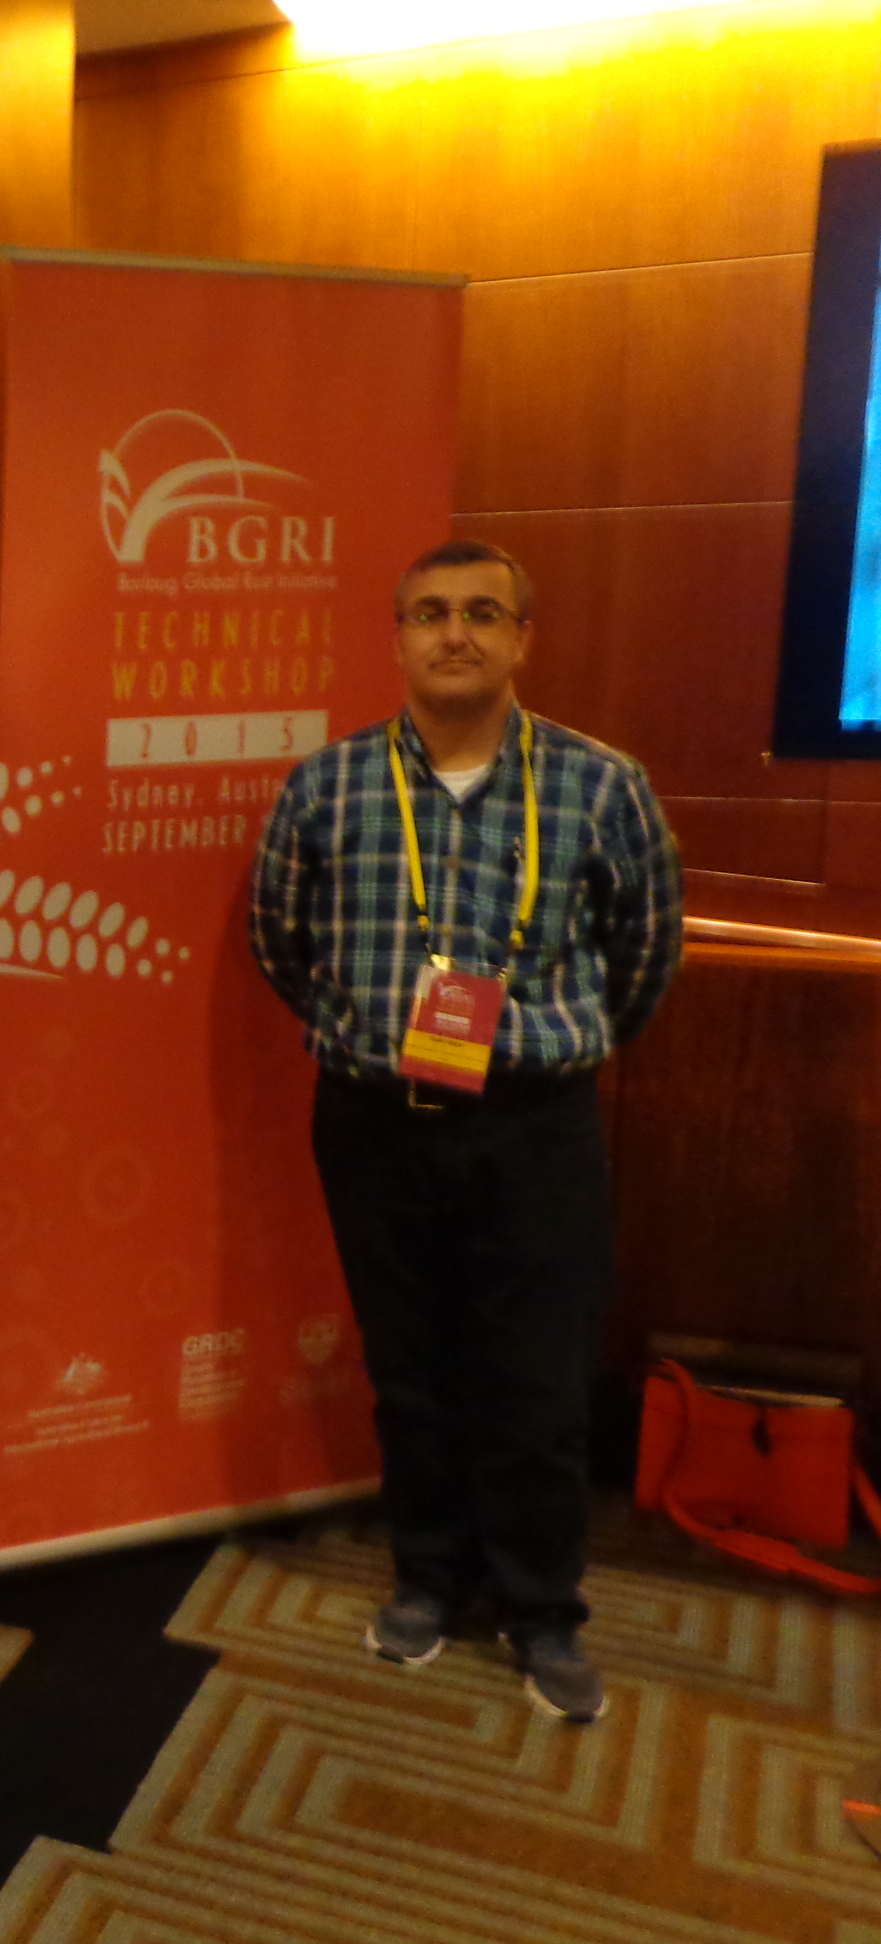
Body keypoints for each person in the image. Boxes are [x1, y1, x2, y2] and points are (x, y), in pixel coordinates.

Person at [248, 539, 682, 1727]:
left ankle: (542, 1610)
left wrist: (542, 1043)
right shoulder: (327, 787)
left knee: (539, 1384)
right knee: (412, 1372)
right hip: (375, 1124)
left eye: (483, 613)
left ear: (521, 638)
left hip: (534, 1128)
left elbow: (645, 958)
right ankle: (430, 1577)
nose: (455, 634)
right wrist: (366, 1029)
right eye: (430, 613)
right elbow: (280, 940)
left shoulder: (603, 787)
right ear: (397, 636)